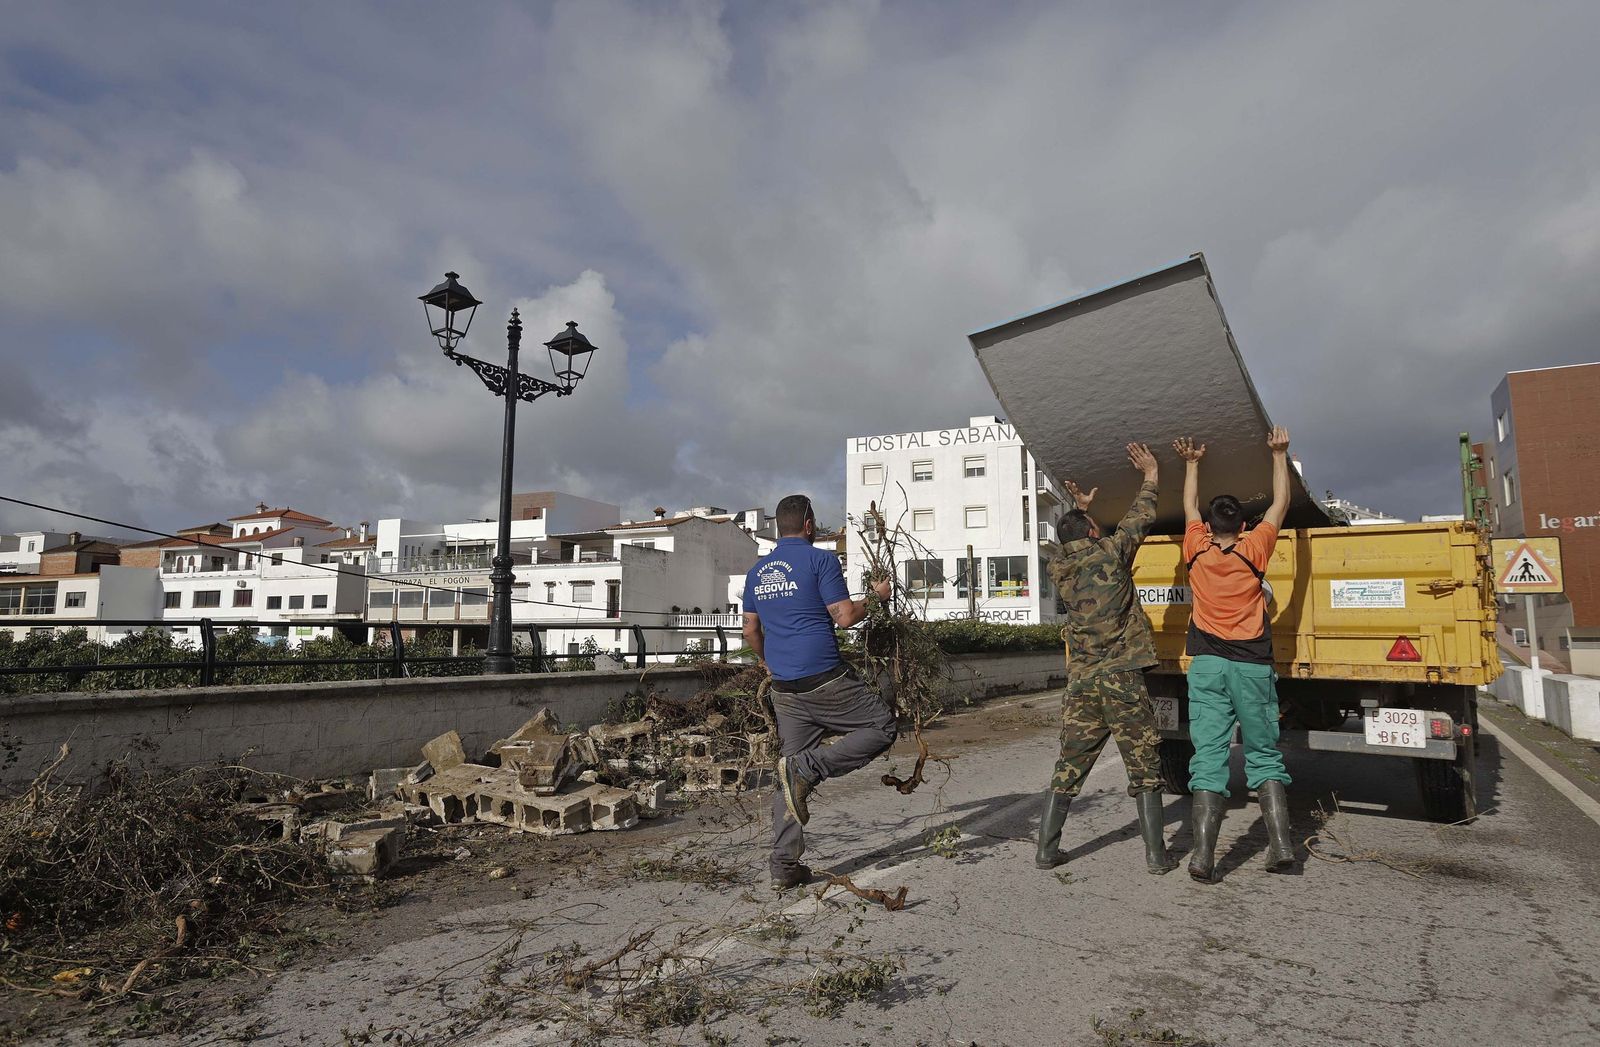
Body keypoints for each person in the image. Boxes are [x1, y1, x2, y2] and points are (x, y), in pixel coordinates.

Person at [743, 494, 896, 891]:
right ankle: (810, 768)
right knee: (881, 726)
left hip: (784, 689)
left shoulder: (757, 573)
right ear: (809, 525)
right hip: (825, 680)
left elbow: (750, 631)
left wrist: (766, 662)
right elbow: (845, 618)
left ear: (780, 527)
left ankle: (784, 867)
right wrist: (877, 598)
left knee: (788, 777)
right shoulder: (822, 561)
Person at [1036, 443, 1176, 876]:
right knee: (1144, 767)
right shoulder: (1112, 554)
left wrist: (1078, 511)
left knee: (1069, 767)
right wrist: (1151, 474)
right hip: (1120, 680)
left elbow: (1069, 542)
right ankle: (1156, 856)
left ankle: (1046, 851)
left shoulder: (1058, 570)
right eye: (1095, 525)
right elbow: (1141, 517)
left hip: (1082, 685)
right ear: (1094, 533)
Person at [1172, 426, 1296, 883]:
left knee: (1208, 757)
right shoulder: (1255, 549)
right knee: (1264, 755)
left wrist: (1192, 462)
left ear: (1208, 526)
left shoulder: (1196, 549)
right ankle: (1281, 846)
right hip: (1251, 666)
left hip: (1205, 664)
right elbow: (1280, 505)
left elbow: (1188, 506)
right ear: (1243, 526)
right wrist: (1278, 455)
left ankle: (1203, 857)